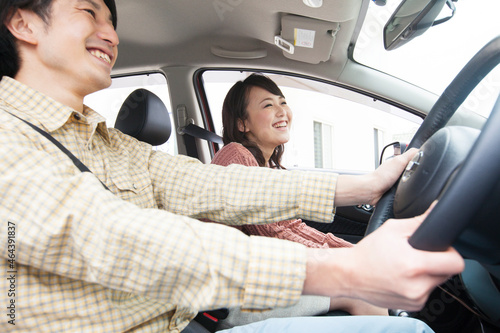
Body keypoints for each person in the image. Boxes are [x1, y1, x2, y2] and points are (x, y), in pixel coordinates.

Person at [0, 1, 464, 332]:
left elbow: (212, 185)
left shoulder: (108, 141)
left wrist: (361, 186)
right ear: (24, 22)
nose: (111, 33)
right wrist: (346, 268)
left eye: (112, 19)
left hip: (186, 316)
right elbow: (113, 237)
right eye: (89, 11)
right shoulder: (7, 137)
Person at [211, 74, 389, 329]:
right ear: (242, 124)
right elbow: (276, 234)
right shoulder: (235, 154)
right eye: (268, 105)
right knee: (363, 292)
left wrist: (354, 254)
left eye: (282, 102)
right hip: (228, 299)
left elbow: (293, 228)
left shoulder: (265, 168)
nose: (282, 111)